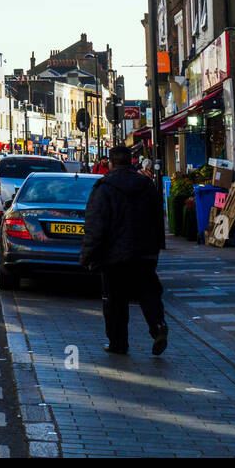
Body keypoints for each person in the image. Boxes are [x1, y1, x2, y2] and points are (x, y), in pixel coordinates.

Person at [80, 143, 168, 356]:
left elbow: (96, 224)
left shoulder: (105, 188)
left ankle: (118, 343)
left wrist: (87, 255)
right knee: (148, 292)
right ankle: (158, 326)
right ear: (131, 162)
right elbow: (158, 218)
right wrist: (157, 247)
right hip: (144, 252)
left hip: (115, 255)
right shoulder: (146, 185)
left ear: (110, 163)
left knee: (115, 300)